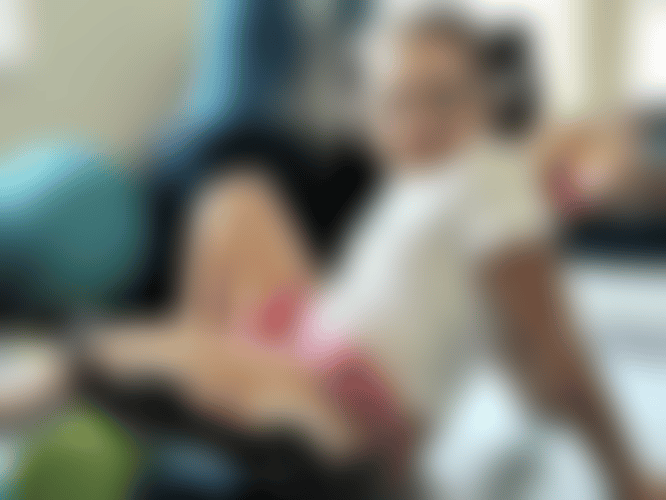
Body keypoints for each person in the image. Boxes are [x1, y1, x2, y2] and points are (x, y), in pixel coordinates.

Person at [300, 12, 664, 499]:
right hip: (330, 371)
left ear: (484, 102)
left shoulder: (492, 175)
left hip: (347, 400)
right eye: (400, 101)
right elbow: (524, 346)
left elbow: (551, 357)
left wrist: (626, 479)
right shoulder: (441, 182)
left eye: (442, 98)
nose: (421, 120)